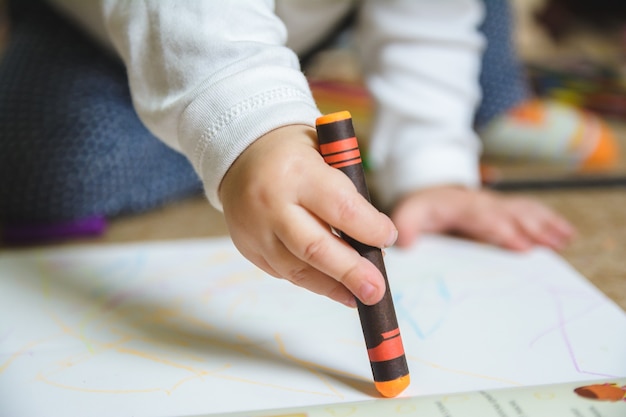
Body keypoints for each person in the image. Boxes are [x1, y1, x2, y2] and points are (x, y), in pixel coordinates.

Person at [0, 0, 574, 308]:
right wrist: (246, 133)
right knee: (46, 170)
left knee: (464, 35)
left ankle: (482, 109)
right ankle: (251, 129)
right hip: (120, 23)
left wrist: (434, 164)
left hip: (314, 19)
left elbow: (431, 23)